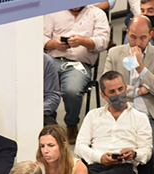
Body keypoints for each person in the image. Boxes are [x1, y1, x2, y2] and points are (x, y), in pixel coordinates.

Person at [74, 70, 153, 174]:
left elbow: (147, 151)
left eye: (120, 89)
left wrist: (134, 153)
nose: (118, 94)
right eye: (112, 92)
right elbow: (79, 146)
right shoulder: (93, 115)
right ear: (104, 95)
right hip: (97, 165)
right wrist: (99, 157)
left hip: (124, 170)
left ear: (126, 88)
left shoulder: (139, 117)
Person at [105, 16, 154, 161]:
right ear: (127, 33)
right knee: (113, 153)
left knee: (153, 156)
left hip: (150, 116)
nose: (137, 43)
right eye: (133, 37)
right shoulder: (114, 53)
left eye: (143, 38)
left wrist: (141, 67)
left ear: (151, 34)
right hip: (120, 113)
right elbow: (106, 89)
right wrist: (139, 91)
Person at [44, 5, 111, 143]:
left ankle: (71, 123)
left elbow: (103, 42)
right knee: (37, 84)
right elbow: (39, 38)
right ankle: (47, 120)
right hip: (52, 61)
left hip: (79, 63)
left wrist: (83, 41)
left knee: (72, 91)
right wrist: (53, 44)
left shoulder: (97, 14)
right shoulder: (54, 11)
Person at [0, 53, 61, 126]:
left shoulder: (46, 60)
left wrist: (35, 112)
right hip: (4, 114)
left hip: (38, 113)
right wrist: (4, 111)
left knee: (52, 133)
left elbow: (52, 96)